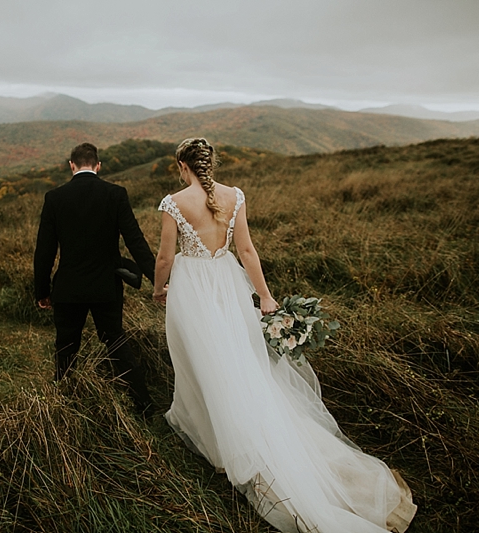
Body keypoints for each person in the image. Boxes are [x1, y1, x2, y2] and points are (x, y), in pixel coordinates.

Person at [152, 138, 417, 533]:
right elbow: (247, 251)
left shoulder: (173, 203)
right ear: (211, 164)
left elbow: (165, 257)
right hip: (229, 287)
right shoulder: (234, 196)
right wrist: (265, 296)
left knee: (200, 362)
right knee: (239, 362)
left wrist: (159, 290)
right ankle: (232, 426)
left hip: (192, 292)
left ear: (182, 165)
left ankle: (218, 435)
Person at [34, 142, 155, 415]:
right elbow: (135, 240)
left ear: (71, 165)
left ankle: (61, 405)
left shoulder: (55, 198)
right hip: (106, 287)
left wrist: (42, 290)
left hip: (68, 287)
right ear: (98, 165)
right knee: (116, 341)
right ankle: (144, 405)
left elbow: (44, 250)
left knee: (66, 347)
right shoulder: (115, 194)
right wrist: (157, 278)